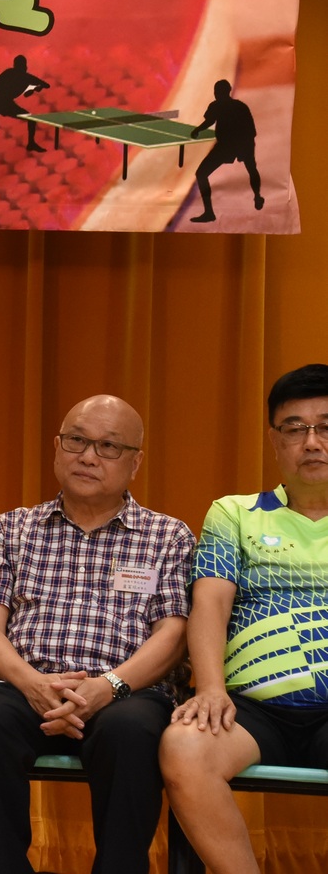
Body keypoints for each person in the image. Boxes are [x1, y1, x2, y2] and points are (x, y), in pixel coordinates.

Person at [0, 395, 193, 874]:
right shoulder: (11, 528)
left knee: (133, 732)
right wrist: (32, 684)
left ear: (135, 462)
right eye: (77, 440)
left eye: (109, 446)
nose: (88, 456)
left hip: (126, 693)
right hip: (22, 687)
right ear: (57, 447)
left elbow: (173, 635)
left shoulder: (168, 536)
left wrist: (109, 686)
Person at [160, 364, 328, 874]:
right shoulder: (234, 513)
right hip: (252, 710)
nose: (312, 442)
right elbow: (210, 604)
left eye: (325, 427)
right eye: (295, 428)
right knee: (184, 747)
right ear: (275, 441)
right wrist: (211, 688)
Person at [188, 80, 262, 223]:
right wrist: (246, 147)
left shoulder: (216, 106)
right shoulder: (241, 106)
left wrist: (197, 130)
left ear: (218, 92)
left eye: (217, 91)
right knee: (252, 168)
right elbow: (252, 131)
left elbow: (209, 121)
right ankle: (257, 196)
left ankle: (209, 212)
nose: (216, 94)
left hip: (227, 146)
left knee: (201, 174)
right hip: (244, 143)